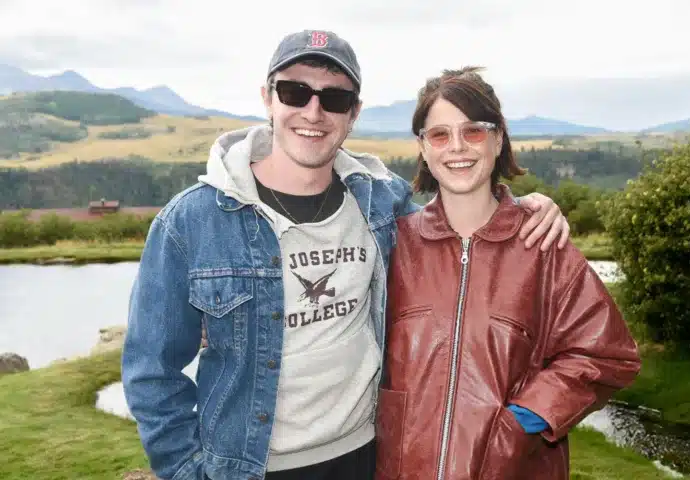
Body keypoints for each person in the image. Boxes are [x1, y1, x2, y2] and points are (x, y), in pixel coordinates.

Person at [121, 30, 570, 480]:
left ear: (353, 113)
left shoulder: (381, 204)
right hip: (249, 468)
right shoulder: (191, 222)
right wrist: (185, 470)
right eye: (295, 91)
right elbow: (151, 370)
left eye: (334, 99)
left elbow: (458, 230)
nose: (313, 112)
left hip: (366, 457)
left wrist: (521, 208)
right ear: (267, 98)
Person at [374, 66, 641, 480]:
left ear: (498, 139)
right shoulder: (393, 243)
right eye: (440, 135)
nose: (457, 147)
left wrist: (525, 420)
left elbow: (607, 354)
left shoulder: (542, 244)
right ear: (423, 148)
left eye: (474, 131)